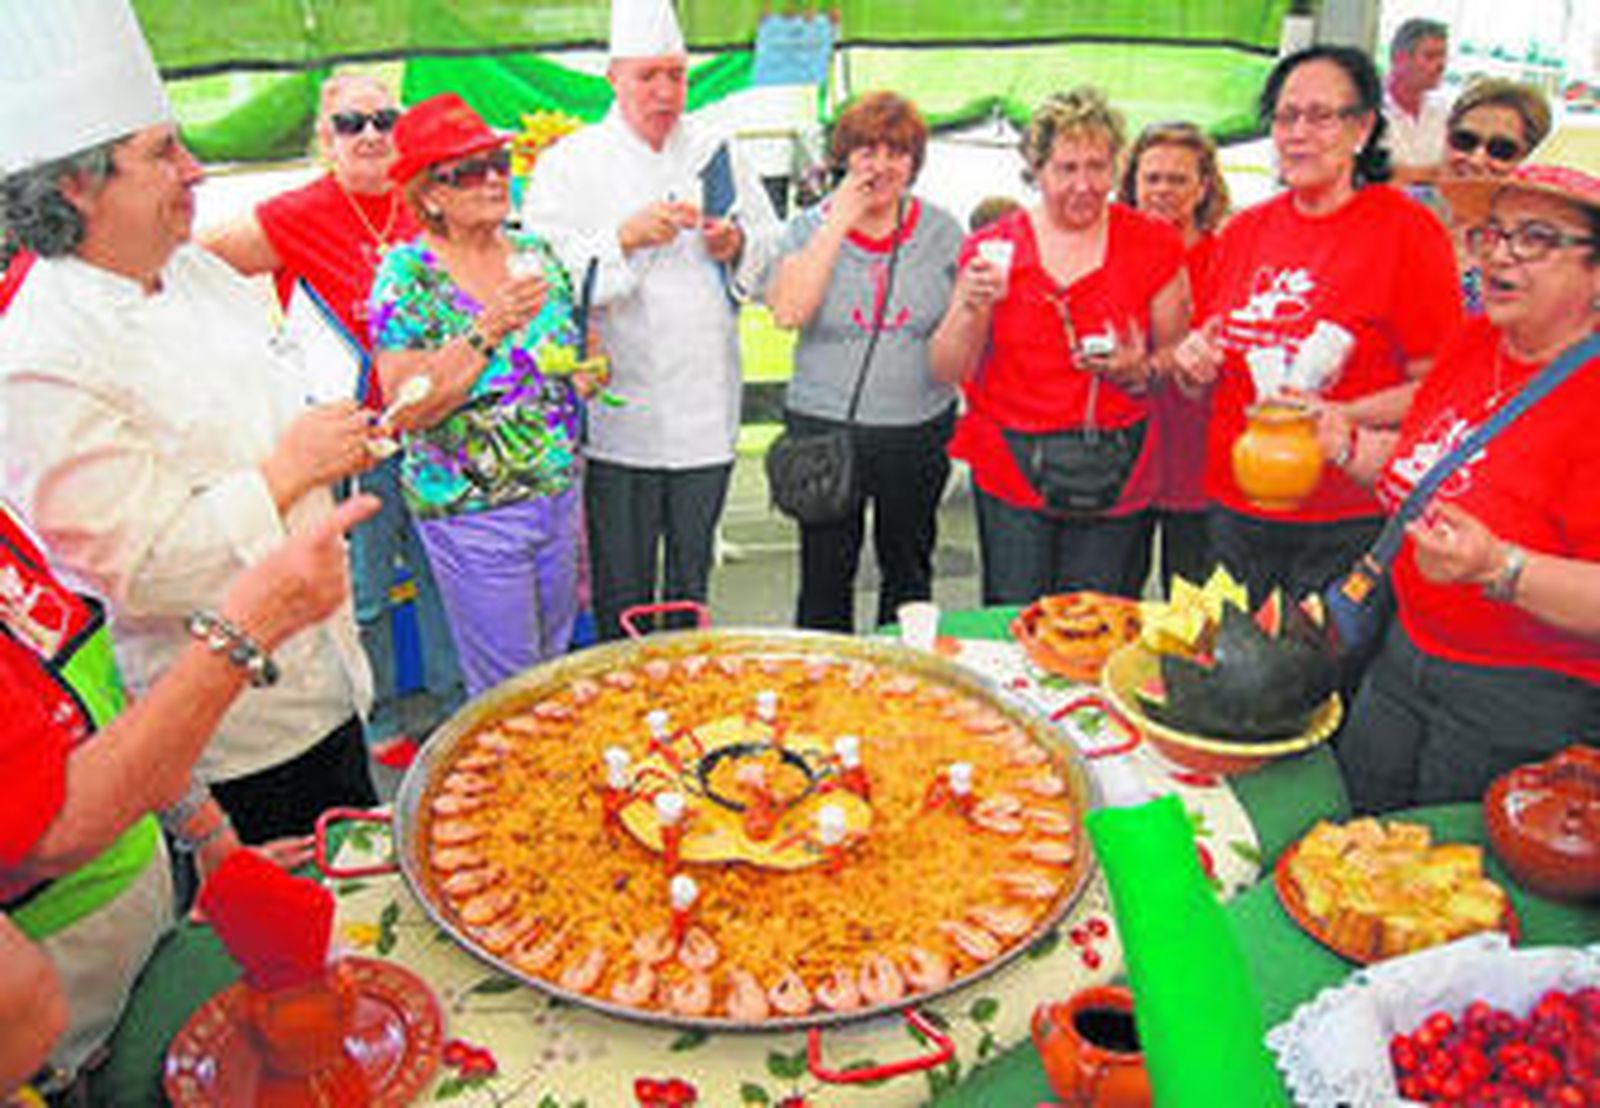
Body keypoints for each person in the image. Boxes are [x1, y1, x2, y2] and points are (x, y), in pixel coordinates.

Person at [0, 0, 380, 846]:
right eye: (162, 152)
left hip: (327, 673)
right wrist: (288, 471)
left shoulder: (196, 274)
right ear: (76, 183)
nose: (197, 169)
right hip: (222, 740)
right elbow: (137, 569)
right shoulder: (38, 354)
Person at [0, 490, 377, 1088]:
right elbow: (49, 828)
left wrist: (209, 837)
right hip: (55, 1021)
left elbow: (93, 701)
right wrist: (246, 630)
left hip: (139, 938)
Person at [1310, 162, 1600, 811]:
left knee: (1449, 878)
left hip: (1520, 700)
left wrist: (1502, 568)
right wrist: (1350, 448)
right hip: (1403, 652)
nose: (1499, 253)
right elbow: (1427, 471)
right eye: (1492, 233)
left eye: (1535, 238)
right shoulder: (1476, 343)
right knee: (1357, 832)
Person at [203, 72, 465, 764]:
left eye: (384, 119)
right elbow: (194, 269)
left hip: (438, 427)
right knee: (367, 589)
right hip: (355, 441)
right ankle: (377, 720)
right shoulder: (294, 212)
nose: (372, 134)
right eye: (352, 124)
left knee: (441, 574)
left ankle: (452, 708)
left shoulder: (428, 200)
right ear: (327, 139)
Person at [520, 0, 778, 640]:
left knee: (692, 576)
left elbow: (770, 244)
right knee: (623, 580)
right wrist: (623, 239)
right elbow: (544, 272)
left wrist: (735, 245)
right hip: (621, 412)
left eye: (675, 75)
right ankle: (626, 689)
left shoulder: (718, 153)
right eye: (648, 77)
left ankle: (689, 678)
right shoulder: (572, 162)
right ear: (615, 77)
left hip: (704, 407)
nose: (664, 91)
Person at [1173, 46, 1462, 605]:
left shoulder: (1407, 231)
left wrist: (1345, 416)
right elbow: (1208, 366)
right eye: (1286, 117)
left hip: (1343, 516)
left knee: (1321, 681)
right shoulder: (1243, 232)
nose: (1298, 133)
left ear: (1362, 128)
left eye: (1321, 116)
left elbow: (1441, 388)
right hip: (1234, 504)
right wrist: (1191, 364)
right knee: (1231, 670)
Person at [930, 88, 1190, 603]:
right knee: (1013, 620)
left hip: (1117, 469)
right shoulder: (993, 248)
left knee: (1099, 622)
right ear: (1036, 169)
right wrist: (968, 306)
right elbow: (946, 367)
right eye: (1066, 168)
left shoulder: (1154, 243)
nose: (1084, 184)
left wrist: (1139, 369)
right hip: (1013, 471)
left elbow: (1177, 357)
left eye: (1098, 167)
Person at [370, 94, 590, 695]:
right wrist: (487, 328)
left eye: (499, 160)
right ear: (430, 193)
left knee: (553, 664)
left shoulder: (538, 254)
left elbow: (574, 347)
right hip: (475, 512)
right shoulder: (408, 275)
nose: (494, 178)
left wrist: (586, 372)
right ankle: (513, 784)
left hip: (558, 495)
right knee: (509, 685)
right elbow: (406, 407)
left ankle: (549, 776)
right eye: (468, 170)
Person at [763, 91, 963, 632]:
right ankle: (824, 697)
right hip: (825, 431)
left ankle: (902, 686)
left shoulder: (944, 233)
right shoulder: (807, 227)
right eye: (867, 151)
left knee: (909, 571)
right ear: (843, 157)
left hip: (917, 429)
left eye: (896, 152)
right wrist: (837, 221)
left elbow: (961, 333)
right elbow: (789, 311)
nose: (881, 165)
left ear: (914, 163)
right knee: (825, 577)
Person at [1118, 121, 1231, 594]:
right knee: (1111, 601)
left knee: (1195, 616)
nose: (1163, 190)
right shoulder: (1107, 253)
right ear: (1133, 184)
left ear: (1204, 186)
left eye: (1178, 179)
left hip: (1200, 466)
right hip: (1123, 466)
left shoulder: (1228, 258)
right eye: (1153, 178)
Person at [1440, 78, 1553, 314]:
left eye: (1501, 150)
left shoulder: (1537, 248)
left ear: (1527, 159)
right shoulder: (1397, 209)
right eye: (1465, 141)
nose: (1476, 159)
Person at [1383, 17, 1452, 185]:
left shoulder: (1444, 112)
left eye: (1443, 56)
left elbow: (1453, 172)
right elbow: (1368, 175)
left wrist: (1403, 173)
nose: (1441, 65)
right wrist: (1432, 173)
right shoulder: (1365, 109)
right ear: (1400, 59)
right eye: (1430, 56)